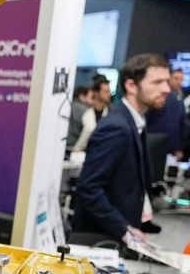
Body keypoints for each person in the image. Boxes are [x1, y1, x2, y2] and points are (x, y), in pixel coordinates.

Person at [70, 54, 171, 246]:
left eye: (166, 81)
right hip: (100, 239)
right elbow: (89, 187)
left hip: (117, 235)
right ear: (131, 86)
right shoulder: (117, 127)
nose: (166, 89)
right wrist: (123, 229)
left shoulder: (134, 123)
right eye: (157, 82)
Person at [145, 67, 188, 159]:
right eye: (176, 78)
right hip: (151, 145)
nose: (179, 82)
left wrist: (179, 148)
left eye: (181, 79)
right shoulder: (156, 96)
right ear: (169, 78)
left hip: (172, 149)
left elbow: (183, 124)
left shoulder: (179, 98)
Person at [71, 76, 112, 153]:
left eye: (109, 91)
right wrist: (76, 149)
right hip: (83, 153)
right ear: (96, 93)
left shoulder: (111, 112)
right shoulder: (85, 110)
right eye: (106, 92)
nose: (109, 94)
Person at [66, 85, 91, 153]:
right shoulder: (86, 110)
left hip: (63, 146)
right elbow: (90, 128)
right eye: (91, 97)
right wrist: (78, 148)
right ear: (82, 97)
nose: (92, 101)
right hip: (74, 150)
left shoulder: (66, 106)